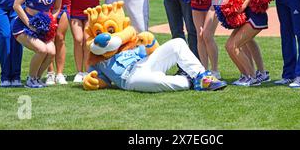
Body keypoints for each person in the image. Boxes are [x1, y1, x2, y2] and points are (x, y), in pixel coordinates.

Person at [212, 0, 268, 86]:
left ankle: (253, 77)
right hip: (246, 17)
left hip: (254, 16)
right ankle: (246, 75)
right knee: (229, 46)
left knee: (234, 45)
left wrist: (244, 5)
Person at [84, 38, 227, 92]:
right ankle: (188, 80)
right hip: (130, 79)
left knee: (177, 43)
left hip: (144, 63)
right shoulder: (97, 62)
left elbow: (152, 50)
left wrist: (150, 41)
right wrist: (92, 81)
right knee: (157, 81)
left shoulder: (127, 45)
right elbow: (103, 82)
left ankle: (201, 77)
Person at [12, 0, 63, 88]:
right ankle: (30, 79)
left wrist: (50, 20)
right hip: (23, 25)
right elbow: (16, 5)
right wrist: (29, 23)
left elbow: (57, 8)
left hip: (43, 27)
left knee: (51, 52)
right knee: (41, 50)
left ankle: (36, 79)